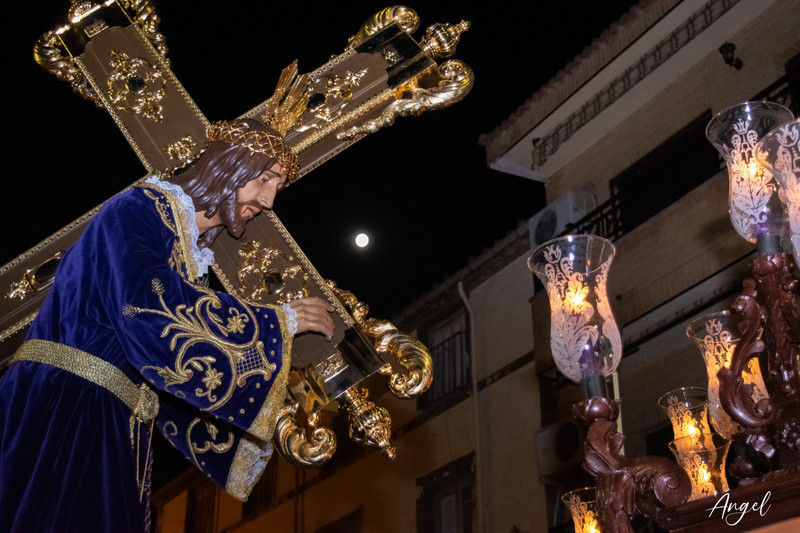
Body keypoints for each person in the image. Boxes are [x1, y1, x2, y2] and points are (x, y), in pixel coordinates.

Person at [0, 118, 334, 532]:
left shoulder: (187, 258)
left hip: (115, 419)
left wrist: (273, 394)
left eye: (276, 187)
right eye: (264, 179)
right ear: (228, 166)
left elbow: (177, 377)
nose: (268, 201)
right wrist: (277, 324)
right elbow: (147, 311)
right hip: (63, 404)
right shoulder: (137, 210)